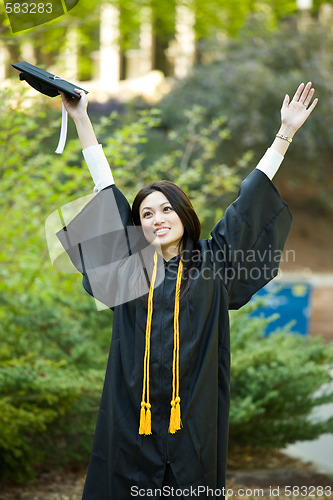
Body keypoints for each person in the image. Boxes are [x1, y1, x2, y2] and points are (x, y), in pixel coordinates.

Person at [56, 82, 318, 500]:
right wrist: (82, 120)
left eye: (166, 208)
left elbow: (248, 204)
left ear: (183, 213)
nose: (157, 218)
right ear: (136, 226)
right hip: (132, 416)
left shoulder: (215, 263)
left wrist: (283, 134)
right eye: (146, 213)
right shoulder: (129, 267)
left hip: (192, 417)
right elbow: (106, 191)